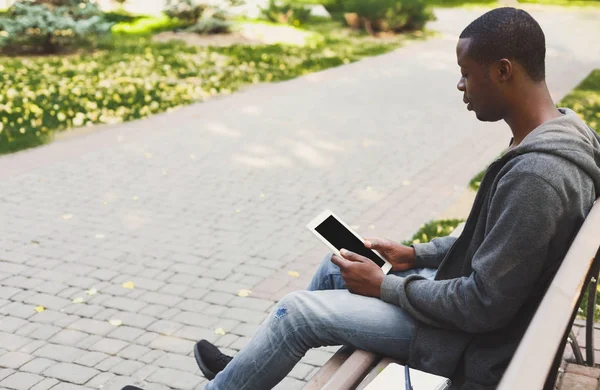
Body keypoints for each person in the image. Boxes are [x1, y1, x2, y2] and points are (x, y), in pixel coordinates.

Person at [123, 6, 600, 390]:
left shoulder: (538, 174)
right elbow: (493, 240)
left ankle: (232, 381)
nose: (460, 87)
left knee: (297, 313)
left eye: (465, 73)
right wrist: (414, 254)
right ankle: (248, 370)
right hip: (469, 311)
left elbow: (482, 306)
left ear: (502, 71)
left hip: (468, 341)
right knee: (340, 263)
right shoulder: (557, 128)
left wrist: (385, 286)